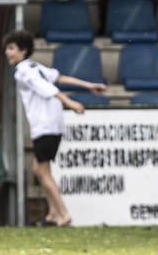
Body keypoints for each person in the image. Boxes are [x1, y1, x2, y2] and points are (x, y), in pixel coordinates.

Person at [6, 30, 106, 226]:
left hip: (43, 124)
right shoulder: (36, 66)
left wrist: (71, 103)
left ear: (23, 51)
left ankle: (63, 213)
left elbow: (48, 88)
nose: (7, 53)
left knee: (40, 170)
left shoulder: (22, 71)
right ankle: (52, 214)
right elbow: (59, 78)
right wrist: (89, 85)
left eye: (11, 48)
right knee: (43, 168)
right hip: (54, 123)